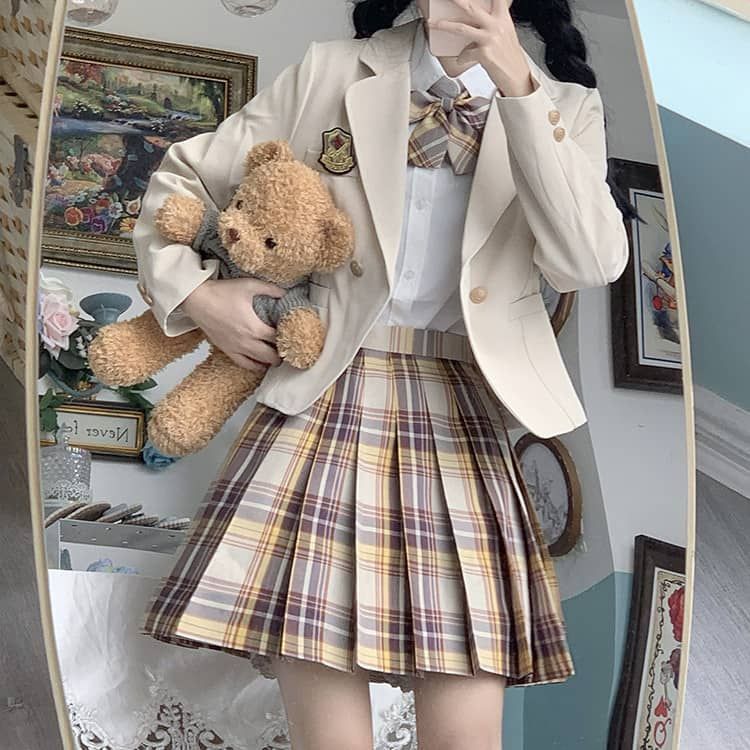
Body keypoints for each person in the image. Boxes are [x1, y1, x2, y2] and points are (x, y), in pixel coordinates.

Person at [136, 1, 629, 747]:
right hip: (326, 401)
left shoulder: (565, 106)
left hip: (461, 417)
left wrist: (518, 87)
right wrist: (201, 298)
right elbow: (181, 184)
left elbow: (587, 262)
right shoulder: (334, 70)